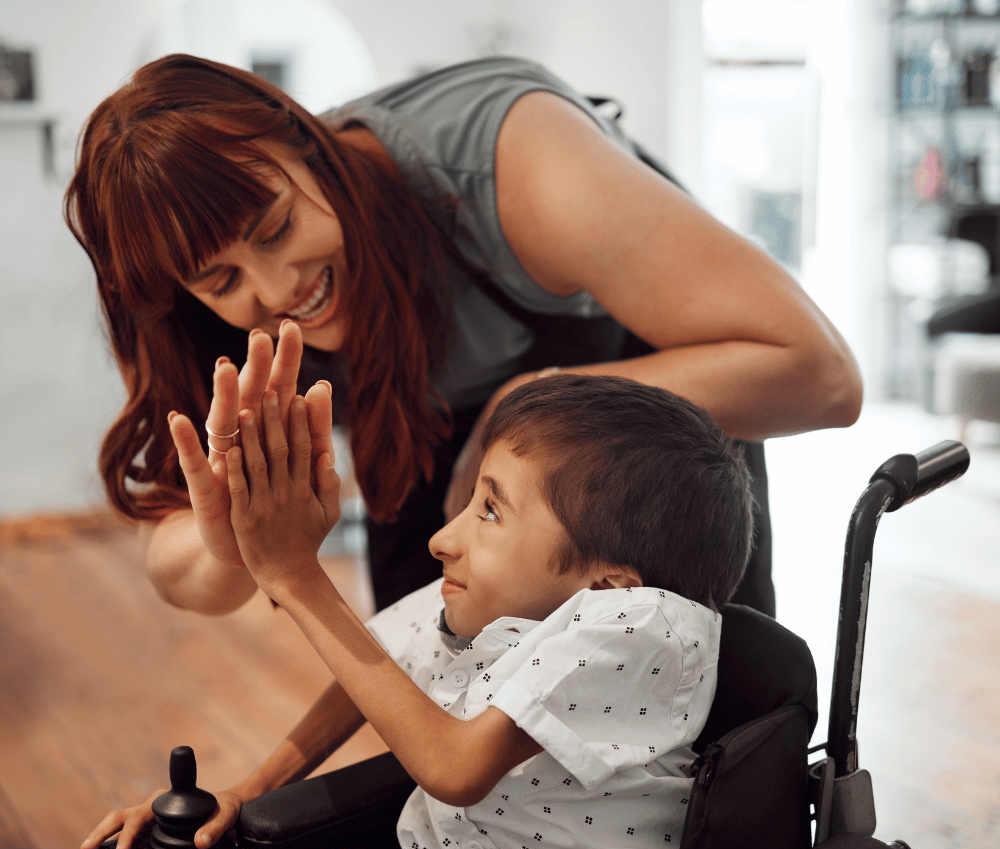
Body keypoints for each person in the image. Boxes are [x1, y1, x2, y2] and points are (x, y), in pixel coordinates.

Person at [65, 53, 862, 620]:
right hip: (428, 425)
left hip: (646, 401)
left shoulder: (515, 162)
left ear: (309, 141)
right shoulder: (208, 319)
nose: (277, 294)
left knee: (699, 721)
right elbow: (180, 575)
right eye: (221, 281)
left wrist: (533, 403)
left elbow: (821, 375)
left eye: (276, 228)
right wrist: (231, 537)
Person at [83, 373, 755, 849]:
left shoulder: (645, 626)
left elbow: (455, 769)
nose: (442, 539)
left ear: (607, 583)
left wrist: (297, 576)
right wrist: (247, 790)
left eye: (489, 512)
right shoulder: (490, 599)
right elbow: (371, 665)